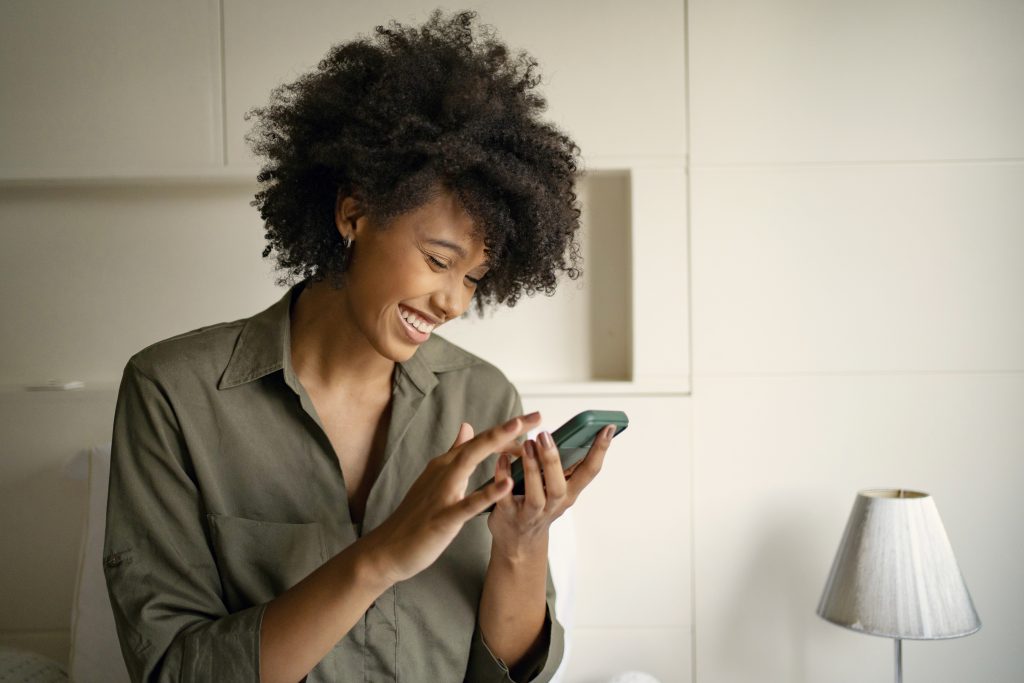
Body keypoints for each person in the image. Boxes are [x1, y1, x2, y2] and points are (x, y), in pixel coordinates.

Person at [102, 9, 613, 683]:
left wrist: (522, 544)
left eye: (474, 279)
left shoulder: (482, 397)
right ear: (354, 213)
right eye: (438, 259)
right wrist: (382, 557)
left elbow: (508, 674)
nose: (455, 302)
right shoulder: (176, 393)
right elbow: (174, 669)